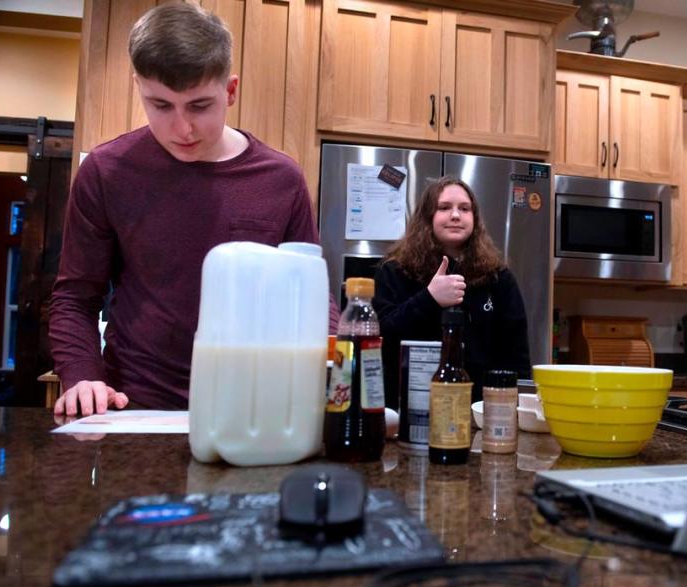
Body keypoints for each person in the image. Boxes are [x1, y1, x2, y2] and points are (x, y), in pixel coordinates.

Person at [49, 3, 337, 416]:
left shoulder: (281, 178)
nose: (182, 129)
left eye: (199, 106)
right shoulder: (107, 171)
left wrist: (332, 371)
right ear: (139, 88)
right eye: (161, 106)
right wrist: (81, 376)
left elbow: (310, 296)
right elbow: (75, 297)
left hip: (253, 407)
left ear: (231, 91)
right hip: (136, 405)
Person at [373, 176, 531, 407]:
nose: (455, 215)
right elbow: (379, 338)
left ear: (475, 219)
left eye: (464, 209)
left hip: (480, 411)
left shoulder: (498, 277)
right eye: (444, 207)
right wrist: (429, 299)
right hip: (408, 408)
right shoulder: (394, 270)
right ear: (427, 218)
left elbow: (517, 356)